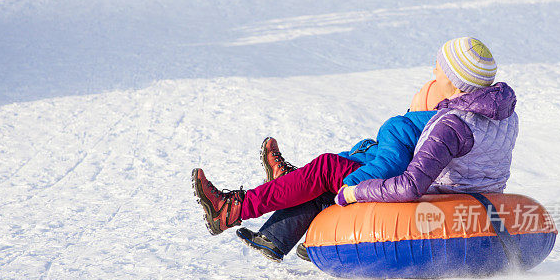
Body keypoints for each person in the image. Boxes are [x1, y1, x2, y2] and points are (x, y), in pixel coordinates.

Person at [192, 37, 518, 260]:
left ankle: (237, 206)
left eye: (436, 69)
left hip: (435, 190)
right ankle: (287, 185)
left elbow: (398, 175)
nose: (432, 74)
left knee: (326, 170)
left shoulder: (438, 124)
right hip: (476, 189)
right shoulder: (504, 115)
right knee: (357, 152)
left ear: (448, 82)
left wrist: (348, 191)